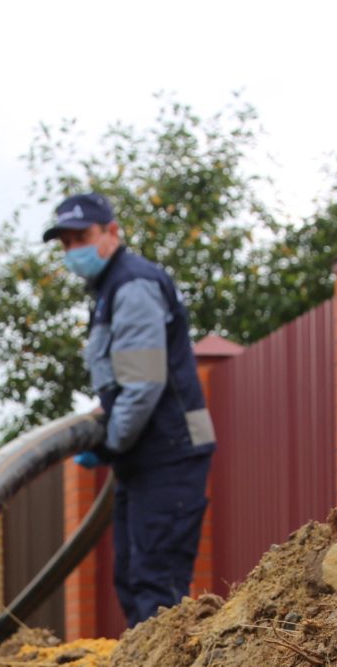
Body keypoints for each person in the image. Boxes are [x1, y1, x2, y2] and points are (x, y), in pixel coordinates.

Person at [46, 191, 218, 626]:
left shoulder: (132, 284)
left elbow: (142, 384)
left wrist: (110, 442)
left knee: (155, 584)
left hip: (170, 450)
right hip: (149, 453)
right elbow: (123, 380)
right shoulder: (109, 289)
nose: (73, 250)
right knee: (132, 576)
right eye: (65, 243)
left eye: (81, 236)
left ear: (111, 233)